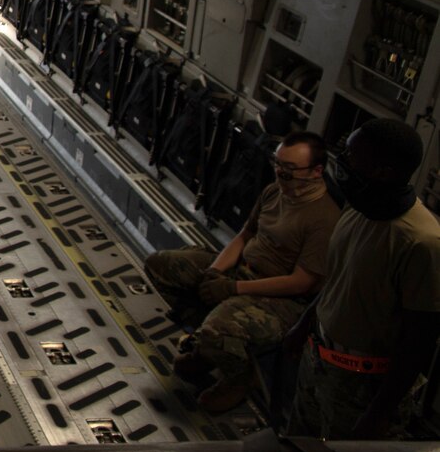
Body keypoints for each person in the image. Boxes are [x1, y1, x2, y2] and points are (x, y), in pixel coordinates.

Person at [142, 132, 340, 413]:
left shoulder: (324, 219)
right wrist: (214, 272)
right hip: (243, 272)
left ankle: (240, 376)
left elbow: (302, 282)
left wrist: (233, 289)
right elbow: (245, 236)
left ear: (317, 172)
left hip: (281, 300)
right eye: (278, 163)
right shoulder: (274, 192)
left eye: (290, 169)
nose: (281, 172)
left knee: (218, 329)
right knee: (161, 266)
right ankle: (208, 348)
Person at [286, 119, 440, 439]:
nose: (342, 161)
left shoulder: (422, 242)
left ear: (384, 171)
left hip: (361, 386)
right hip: (319, 358)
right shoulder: (358, 208)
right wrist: (304, 325)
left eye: (352, 156)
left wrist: (377, 415)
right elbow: (339, 280)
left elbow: (419, 341)